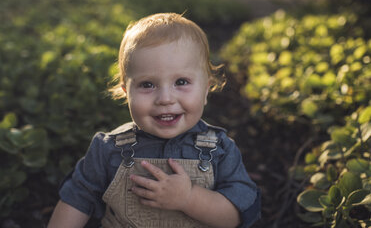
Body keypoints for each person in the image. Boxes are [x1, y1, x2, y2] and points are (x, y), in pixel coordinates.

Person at [47, 13, 260, 228]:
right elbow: (76, 201)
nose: (165, 99)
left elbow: (236, 216)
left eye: (181, 81)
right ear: (126, 92)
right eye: (147, 85)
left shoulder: (220, 150)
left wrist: (188, 199)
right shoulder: (108, 149)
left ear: (206, 90)